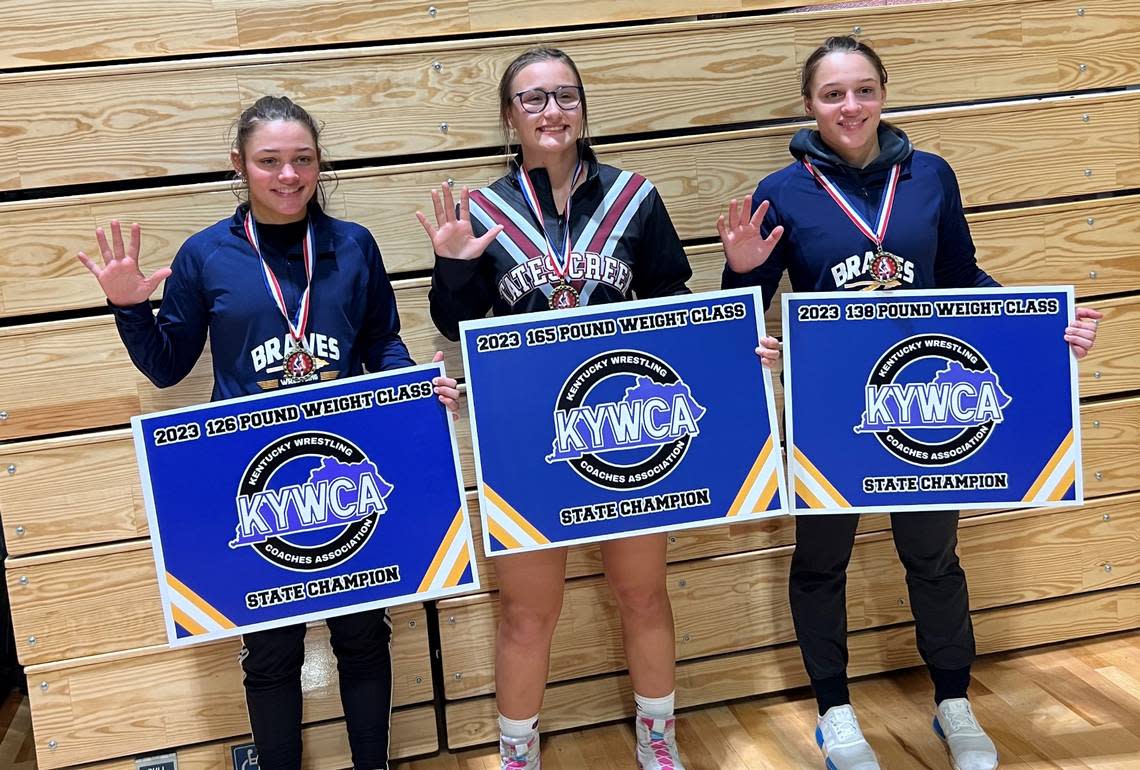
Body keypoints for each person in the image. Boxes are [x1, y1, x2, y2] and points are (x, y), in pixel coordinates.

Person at [717, 36, 1102, 770]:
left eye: (863, 90)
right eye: (833, 94)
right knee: (820, 561)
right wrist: (738, 276)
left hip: (922, 396)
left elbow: (962, 275)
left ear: (884, 94)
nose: (850, 106)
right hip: (828, 408)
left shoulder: (930, 176)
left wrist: (1039, 332)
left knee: (933, 555)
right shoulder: (781, 189)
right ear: (809, 105)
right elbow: (739, 313)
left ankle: (953, 702)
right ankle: (834, 713)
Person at [77, 95, 461, 770]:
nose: (289, 176)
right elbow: (167, 369)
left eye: (303, 160)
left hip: (344, 472)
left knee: (364, 636)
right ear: (240, 166)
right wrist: (129, 308)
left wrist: (411, 389)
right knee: (273, 654)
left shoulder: (353, 245)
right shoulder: (205, 255)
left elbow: (381, 343)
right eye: (270, 161)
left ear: (320, 165)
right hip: (258, 486)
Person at [418, 46, 692, 770]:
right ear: (509, 117)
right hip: (528, 442)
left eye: (565, 96)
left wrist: (733, 359)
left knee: (642, 594)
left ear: (583, 107)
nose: (552, 111)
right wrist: (453, 265)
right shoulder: (481, 212)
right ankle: (517, 752)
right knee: (526, 611)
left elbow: (678, 313)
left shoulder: (635, 196)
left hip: (627, 432)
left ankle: (658, 737)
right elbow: (455, 325)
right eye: (534, 99)